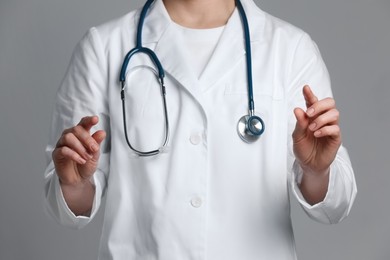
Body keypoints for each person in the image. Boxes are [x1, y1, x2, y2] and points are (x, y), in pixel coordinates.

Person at [44, 0, 357, 259]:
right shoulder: (104, 47)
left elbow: (334, 208)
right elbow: (68, 207)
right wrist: (73, 184)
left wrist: (317, 171)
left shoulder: (289, 49)